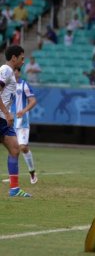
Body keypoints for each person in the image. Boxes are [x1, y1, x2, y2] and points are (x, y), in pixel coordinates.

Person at [0, 45, 31, 197]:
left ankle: (14, 189)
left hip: (4, 120)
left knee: (14, 149)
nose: (23, 61)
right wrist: (7, 113)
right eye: (22, 58)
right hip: (1, 117)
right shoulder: (5, 70)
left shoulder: (10, 73)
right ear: (14, 58)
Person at [11, 67, 37, 184]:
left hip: (22, 123)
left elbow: (33, 101)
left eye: (16, 71)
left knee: (23, 148)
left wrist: (24, 110)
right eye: (13, 71)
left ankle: (32, 173)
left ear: (19, 72)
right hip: (10, 122)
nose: (14, 73)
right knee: (12, 149)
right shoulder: (7, 86)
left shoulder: (24, 85)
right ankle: (13, 176)